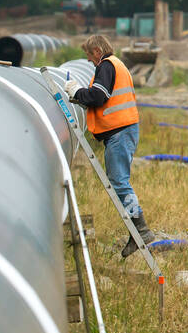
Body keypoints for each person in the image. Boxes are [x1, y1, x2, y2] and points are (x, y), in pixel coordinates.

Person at [64, 34, 156, 258]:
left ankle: (141, 230)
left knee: (119, 183)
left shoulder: (106, 66)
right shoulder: (115, 65)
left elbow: (99, 96)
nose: (88, 60)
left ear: (97, 51)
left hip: (120, 132)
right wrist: (81, 97)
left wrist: (77, 92)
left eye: (88, 55)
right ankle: (138, 231)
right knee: (119, 182)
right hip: (121, 131)